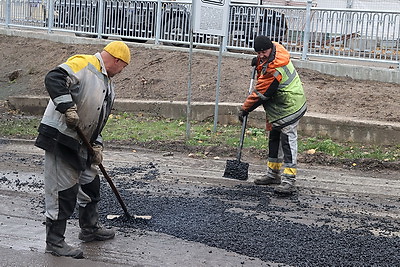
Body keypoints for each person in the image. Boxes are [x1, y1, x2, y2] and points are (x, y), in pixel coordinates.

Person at [35, 41, 131, 258]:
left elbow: (98, 119)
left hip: (83, 142)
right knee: (64, 192)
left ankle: (89, 229)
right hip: (61, 139)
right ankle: (55, 242)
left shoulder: (107, 84)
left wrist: (97, 145)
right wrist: (67, 108)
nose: (122, 71)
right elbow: (54, 78)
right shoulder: (84, 64)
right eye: (123, 66)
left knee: (90, 184)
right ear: (116, 60)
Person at [238, 35, 307, 195]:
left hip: (290, 105)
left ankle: (289, 181)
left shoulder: (275, 68)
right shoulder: (274, 50)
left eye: (264, 52)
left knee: (287, 140)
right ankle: (273, 174)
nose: (262, 55)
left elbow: (261, 94)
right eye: (258, 52)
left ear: (270, 48)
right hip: (280, 105)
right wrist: (259, 63)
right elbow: (265, 62)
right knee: (274, 137)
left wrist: (244, 109)